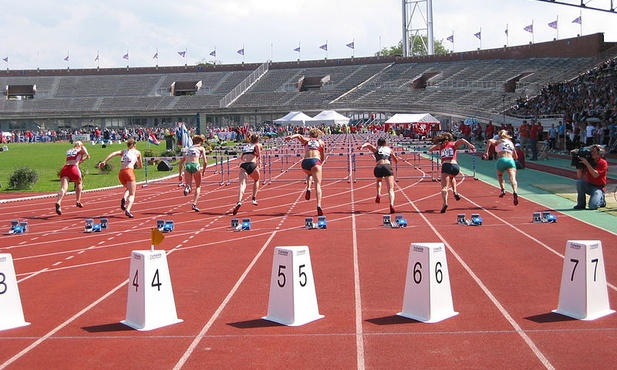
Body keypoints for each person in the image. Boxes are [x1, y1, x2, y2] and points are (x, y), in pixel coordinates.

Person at [428, 132, 475, 213]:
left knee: (444, 187)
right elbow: (462, 140)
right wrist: (470, 145)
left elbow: (430, 150)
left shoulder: (440, 146)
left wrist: (438, 145)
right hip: (455, 166)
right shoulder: (454, 144)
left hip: (446, 165)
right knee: (452, 177)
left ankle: (445, 203)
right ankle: (455, 191)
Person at [285, 128, 326, 216]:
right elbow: (323, 158)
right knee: (318, 185)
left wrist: (291, 137)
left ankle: (308, 188)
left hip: (305, 162)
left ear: (310, 135)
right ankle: (318, 205)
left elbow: (298, 136)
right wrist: (319, 164)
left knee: (309, 173)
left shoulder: (307, 140)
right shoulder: (321, 142)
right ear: (317, 135)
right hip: (315, 161)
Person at [100, 138, 142, 218]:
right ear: (134, 145)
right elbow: (140, 166)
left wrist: (105, 161)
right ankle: (128, 209)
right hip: (129, 171)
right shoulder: (137, 152)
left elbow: (113, 153)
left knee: (129, 189)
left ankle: (124, 198)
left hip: (121, 173)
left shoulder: (123, 151)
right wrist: (137, 163)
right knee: (132, 194)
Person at [359, 137, 399, 214]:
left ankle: (378, 193)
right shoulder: (389, 150)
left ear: (378, 143)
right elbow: (396, 161)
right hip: (387, 166)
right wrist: (393, 156)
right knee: (390, 189)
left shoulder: (376, 149)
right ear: (385, 143)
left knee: (379, 180)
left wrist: (362, 146)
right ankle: (391, 205)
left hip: (378, 166)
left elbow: (368, 144)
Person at [484, 130, 519, 205]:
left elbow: (489, 140)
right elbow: (516, 156)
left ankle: (503, 189)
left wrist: (486, 152)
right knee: (513, 179)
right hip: (510, 160)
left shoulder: (498, 141)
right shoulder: (511, 143)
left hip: (501, 160)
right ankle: (515, 191)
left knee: (500, 175)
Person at [55, 141, 90, 215]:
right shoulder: (80, 148)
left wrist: (85, 159)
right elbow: (83, 149)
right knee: (79, 183)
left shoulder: (70, 151)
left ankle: (58, 202)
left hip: (65, 168)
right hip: (74, 168)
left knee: (64, 188)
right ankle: (78, 201)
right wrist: (87, 154)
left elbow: (77, 161)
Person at [233, 133, 263, 215]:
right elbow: (259, 155)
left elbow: (241, 158)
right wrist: (260, 163)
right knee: (256, 180)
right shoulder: (258, 145)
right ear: (257, 140)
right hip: (252, 165)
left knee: (242, 185)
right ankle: (253, 198)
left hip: (244, 165)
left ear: (250, 140)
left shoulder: (246, 146)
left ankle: (239, 201)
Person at [178, 135, 207, 212]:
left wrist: (180, 174)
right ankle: (194, 204)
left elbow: (180, 163)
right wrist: (203, 171)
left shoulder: (189, 149)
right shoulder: (201, 148)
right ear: (200, 142)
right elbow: (205, 162)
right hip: (195, 165)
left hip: (187, 166)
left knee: (189, 187)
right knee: (198, 186)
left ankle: (187, 187)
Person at [573, 144, 608, 210]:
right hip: (589, 185)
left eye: (594, 152)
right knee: (579, 182)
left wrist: (587, 164)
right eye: (591, 151)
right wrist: (578, 166)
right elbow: (579, 177)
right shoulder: (589, 161)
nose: (591, 153)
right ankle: (581, 204)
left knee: (593, 206)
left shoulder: (603, 163)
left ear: (599, 153)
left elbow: (595, 175)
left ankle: (601, 200)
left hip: (598, 187)